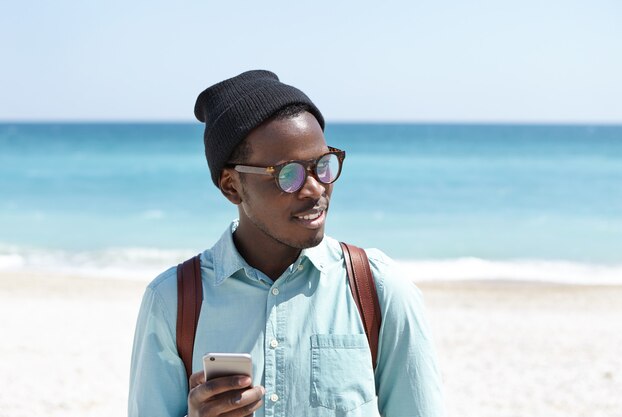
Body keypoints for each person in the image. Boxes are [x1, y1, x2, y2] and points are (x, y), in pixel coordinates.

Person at [128, 70, 444, 417]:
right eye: (288, 174)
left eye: (323, 165)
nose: (316, 189)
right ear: (232, 186)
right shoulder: (172, 300)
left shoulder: (378, 290)